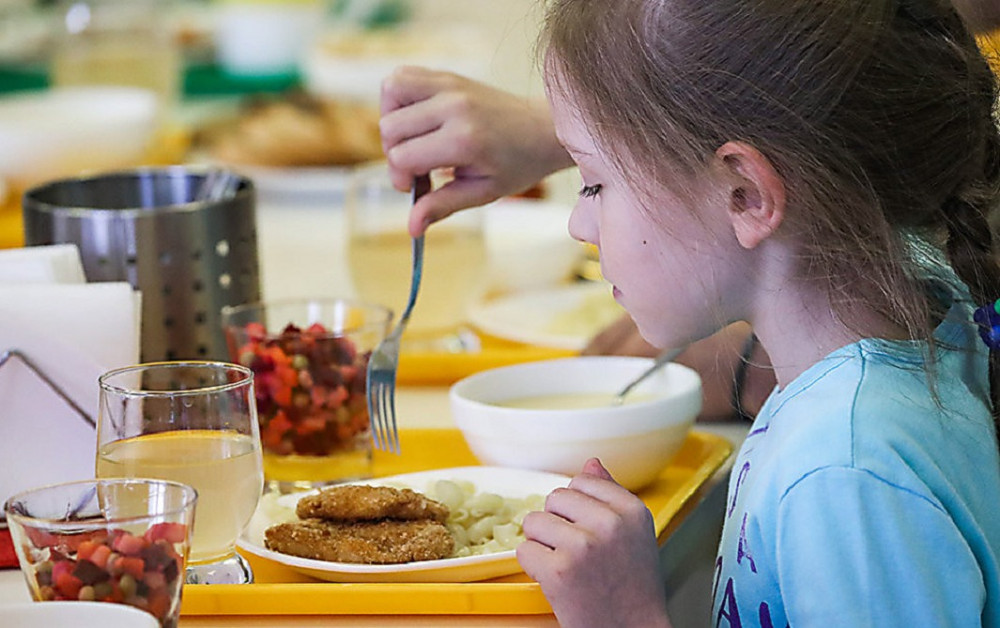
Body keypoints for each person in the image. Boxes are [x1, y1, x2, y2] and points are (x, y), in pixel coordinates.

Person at [381, 0, 1000, 625]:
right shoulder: (928, 309)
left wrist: (627, 616)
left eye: (594, 183)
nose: (578, 224)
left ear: (745, 194)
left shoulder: (846, 477)